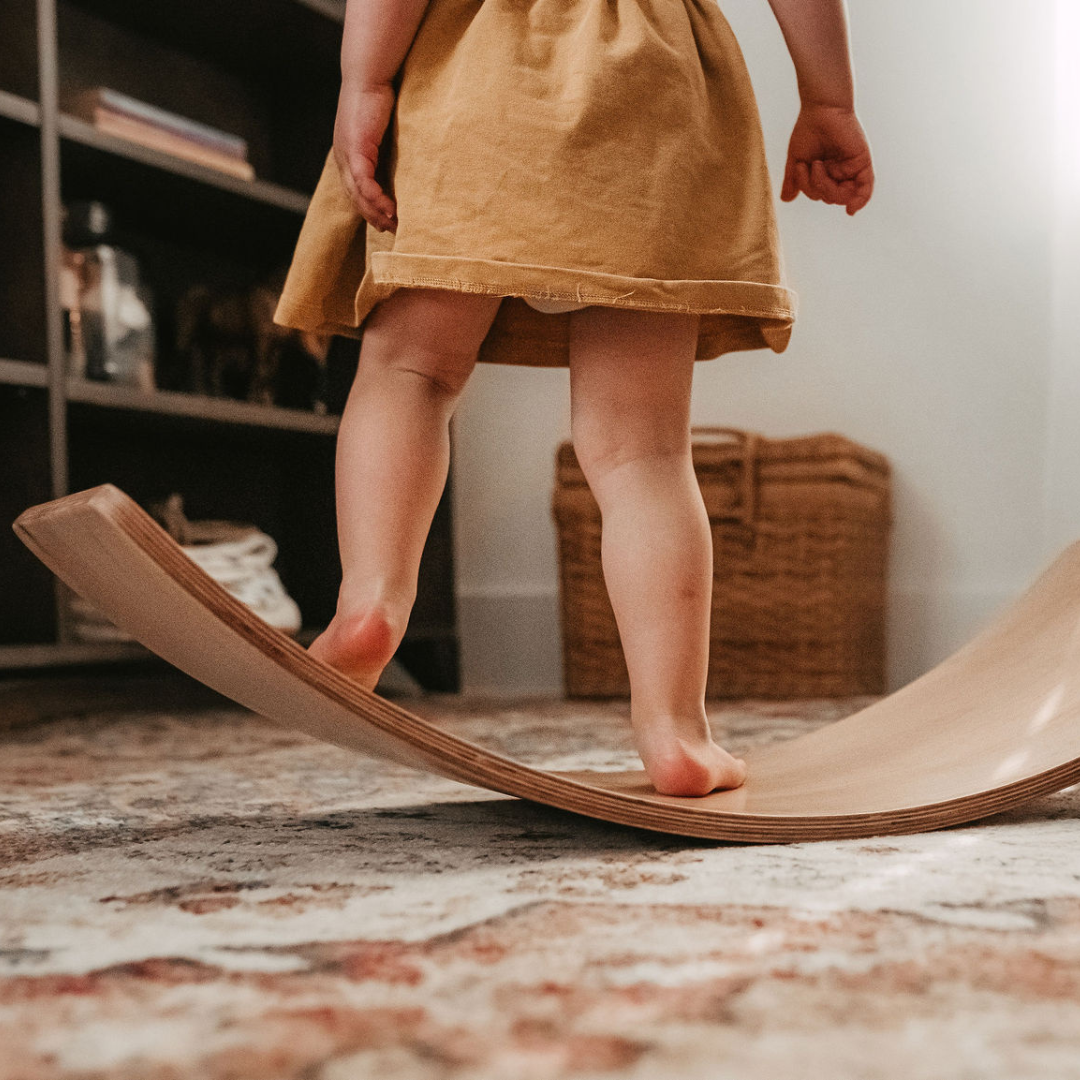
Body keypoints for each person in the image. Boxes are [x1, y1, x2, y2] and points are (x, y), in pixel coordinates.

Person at [275, 0, 874, 797]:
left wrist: (365, 81)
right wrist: (827, 101)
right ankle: (674, 729)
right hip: (657, 92)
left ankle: (371, 600)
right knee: (644, 453)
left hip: (476, 83)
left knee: (411, 375)